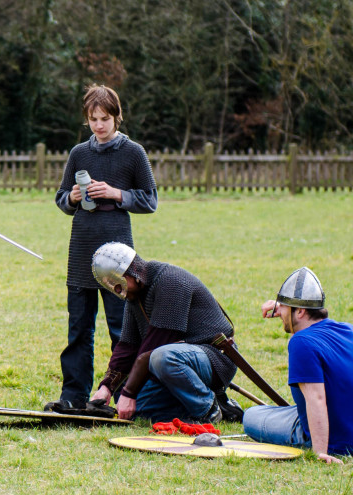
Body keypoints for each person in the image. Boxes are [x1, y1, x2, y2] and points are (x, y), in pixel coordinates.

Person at [45, 84, 158, 414]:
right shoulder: (78, 153)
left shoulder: (134, 153)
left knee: (120, 329)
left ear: (117, 117)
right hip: (81, 246)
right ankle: (74, 395)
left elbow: (150, 200)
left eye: (105, 118)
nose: (98, 125)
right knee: (79, 328)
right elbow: (61, 198)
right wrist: (72, 199)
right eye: (93, 119)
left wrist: (115, 193)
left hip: (118, 251)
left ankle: (122, 394)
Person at [243, 267, 353, 464]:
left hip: (340, 440)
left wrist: (320, 451)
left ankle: (314, 439)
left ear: (300, 311)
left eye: (284, 307)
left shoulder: (302, 342)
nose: (280, 312)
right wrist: (287, 312)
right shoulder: (348, 330)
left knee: (251, 416)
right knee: (278, 411)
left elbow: (316, 399)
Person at [87, 242, 238, 423]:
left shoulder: (171, 282)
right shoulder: (134, 296)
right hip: (173, 362)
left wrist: (130, 391)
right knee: (133, 409)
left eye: (119, 284)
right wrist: (107, 388)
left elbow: (157, 345)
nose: (119, 292)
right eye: (114, 288)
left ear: (132, 272)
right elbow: (128, 346)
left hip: (213, 358)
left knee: (162, 357)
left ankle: (208, 409)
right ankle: (217, 406)